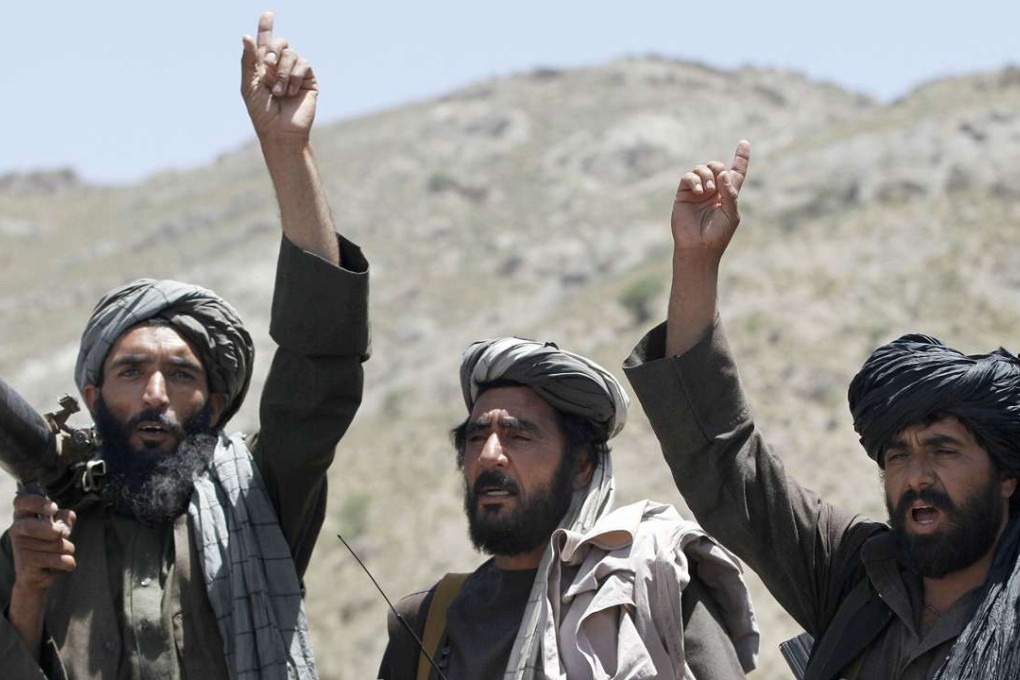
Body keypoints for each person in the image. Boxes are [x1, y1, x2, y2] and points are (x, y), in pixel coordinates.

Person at [0, 12, 369, 679]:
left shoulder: (263, 505)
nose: (155, 394)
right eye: (131, 371)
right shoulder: (40, 539)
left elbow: (321, 363)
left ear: (217, 402)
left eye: (181, 374)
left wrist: (287, 151)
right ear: (91, 395)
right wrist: (27, 595)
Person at [623, 140, 1020, 679]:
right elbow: (722, 461)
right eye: (897, 455)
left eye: (943, 451)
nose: (917, 477)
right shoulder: (857, 576)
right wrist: (696, 261)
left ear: (1007, 477)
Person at [378, 338, 758, 679]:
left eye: (518, 436)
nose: (489, 456)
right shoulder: (426, 621)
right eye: (476, 437)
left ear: (580, 466)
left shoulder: (649, 584)